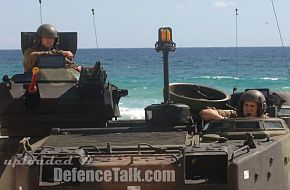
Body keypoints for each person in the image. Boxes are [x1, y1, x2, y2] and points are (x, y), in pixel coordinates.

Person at [200, 89, 269, 121]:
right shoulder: (235, 115)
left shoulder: (265, 120)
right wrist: (224, 120)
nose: (248, 109)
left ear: (259, 108)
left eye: (252, 106)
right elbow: (204, 113)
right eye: (246, 105)